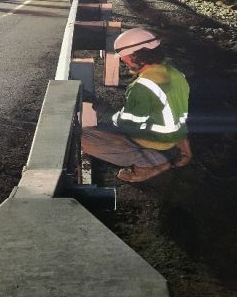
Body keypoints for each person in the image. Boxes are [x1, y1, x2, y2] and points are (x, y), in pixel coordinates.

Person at [82, 28, 192, 183]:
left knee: (81, 138)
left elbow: (126, 123)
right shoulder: (175, 73)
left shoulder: (142, 86)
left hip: (154, 145)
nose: (122, 60)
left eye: (124, 57)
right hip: (172, 140)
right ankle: (167, 154)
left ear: (136, 56)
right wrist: (185, 146)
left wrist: (103, 111)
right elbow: (175, 112)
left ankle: (149, 164)